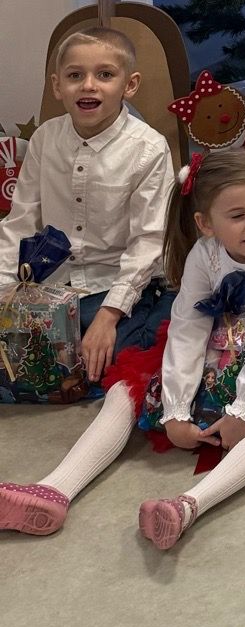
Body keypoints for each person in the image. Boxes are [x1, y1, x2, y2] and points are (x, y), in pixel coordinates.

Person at [0, 147, 245, 547]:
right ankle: (55, 489)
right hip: (222, 349)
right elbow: (188, 329)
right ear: (205, 223)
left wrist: (243, 409)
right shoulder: (204, 255)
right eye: (237, 215)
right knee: (125, 389)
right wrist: (176, 409)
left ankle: (190, 505)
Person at [0, 25, 172, 380]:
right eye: (75, 75)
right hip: (51, 289)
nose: (88, 85)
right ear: (57, 86)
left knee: (119, 361)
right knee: (25, 364)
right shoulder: (46, 139)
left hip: (113, 287)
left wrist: (110, 315)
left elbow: (148, 241)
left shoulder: (149, 148)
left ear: (129, 85)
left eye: (105, 75)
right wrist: (5, 293)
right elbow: (20, 223)